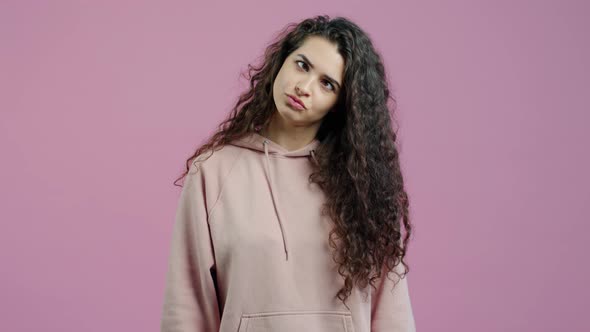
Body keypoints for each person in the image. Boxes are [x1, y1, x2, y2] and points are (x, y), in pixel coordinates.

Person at [160, 15, 416, 332]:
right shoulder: (213, 172)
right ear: (281, 62)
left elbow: (392, 314)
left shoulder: (363, 186)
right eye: (302, 65)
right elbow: (187, 309)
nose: (303, 87)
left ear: (340, 103)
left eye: (327, 83)